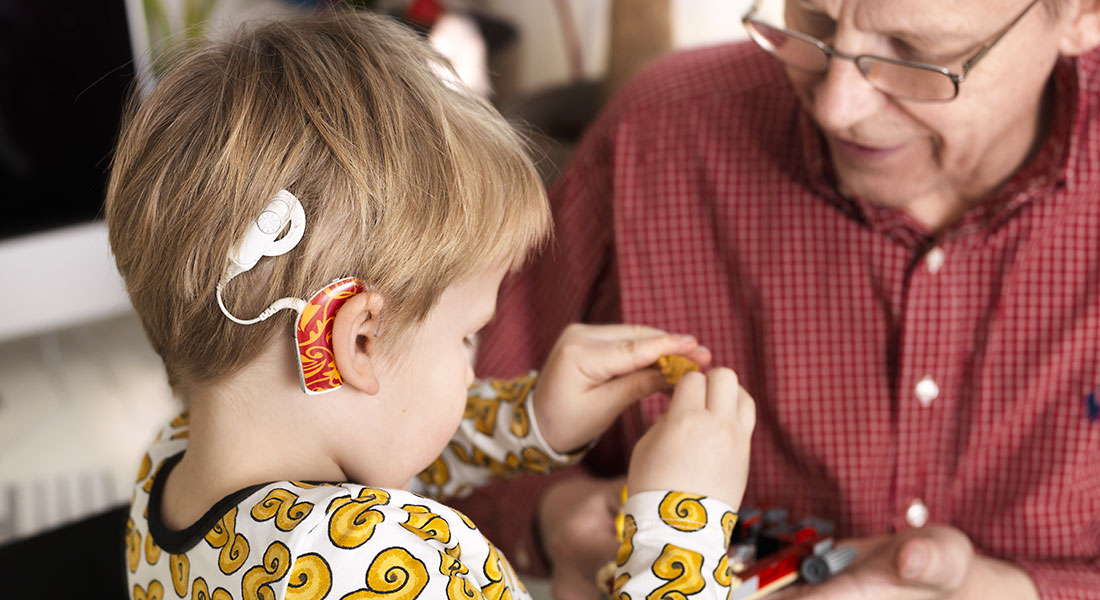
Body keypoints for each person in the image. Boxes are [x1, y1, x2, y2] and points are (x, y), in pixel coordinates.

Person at [453, 0, 1100, 598]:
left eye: (911, 49)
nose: (837, 106)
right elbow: (425, 442)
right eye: (812, 21)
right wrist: (549, 521)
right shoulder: (655, 137)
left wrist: (1015, 591)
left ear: (1080, 13)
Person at [106, 11, 756, 600]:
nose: (473, 366)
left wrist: (533, 419)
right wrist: (680, 532)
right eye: (468, 337)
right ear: (356, 340)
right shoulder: (388, 558)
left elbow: (363, 425)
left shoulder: (168, 467)